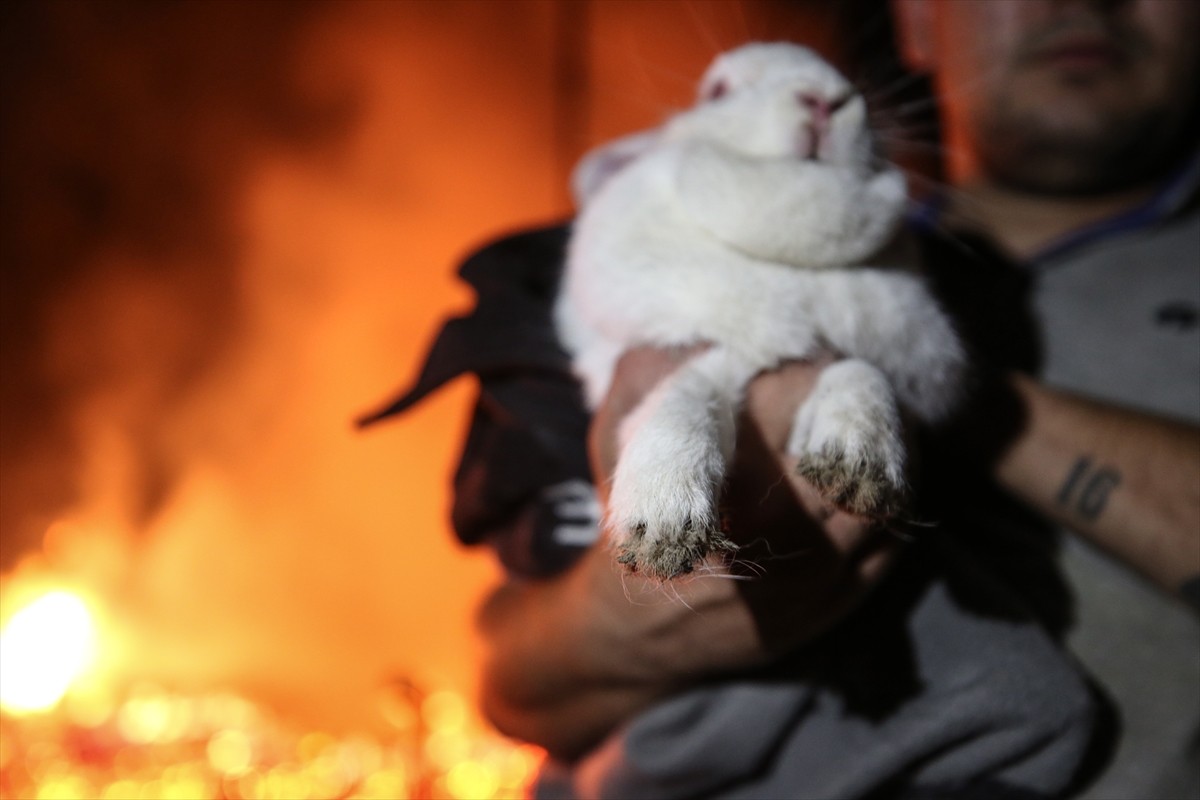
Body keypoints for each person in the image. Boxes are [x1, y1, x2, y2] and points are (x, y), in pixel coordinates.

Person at [365, 0, 1199, 797]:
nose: (1087, 2)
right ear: (916, 17)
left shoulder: (884, 289)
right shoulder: (685, 248)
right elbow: (511, 689)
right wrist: (618, 625)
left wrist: (896, 358)